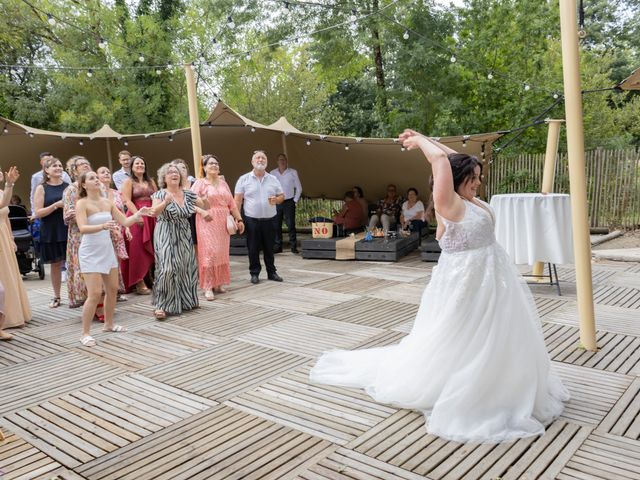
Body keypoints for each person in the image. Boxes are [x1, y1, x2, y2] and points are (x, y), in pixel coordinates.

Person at [310, 129, 569, 444]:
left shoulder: (472, 201)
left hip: (492, 278)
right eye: (472, 177)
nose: (477, 183)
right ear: (456, 179)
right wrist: (420, 143)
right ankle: (468, 385)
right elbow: (440, 160)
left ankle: (503, 382)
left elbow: (449, 159)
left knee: (496, 334)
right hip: (466, 280)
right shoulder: (449, 204)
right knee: (461, 335)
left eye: (478, 177)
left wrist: (422, 135)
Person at [75, 171, 151, 347]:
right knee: (94, 294)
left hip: (107, 249)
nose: (96, 180)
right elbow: (82, 228)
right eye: (92, 178)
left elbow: (125, 221)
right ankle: (85, 333)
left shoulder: (107, 202)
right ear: (84, 185)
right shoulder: (82, 203)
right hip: (90, 251)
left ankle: (108, 324)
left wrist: (139, 213)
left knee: (113, 288)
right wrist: (102, 226)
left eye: (97, 177)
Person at [150, 163, 208, 319]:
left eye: (176, 172)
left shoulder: (188, 194)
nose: (174, 174)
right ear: (164, 177)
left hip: (183, 232)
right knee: (167, 268)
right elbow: (154, 213)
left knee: (185, 266)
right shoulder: (160, 194)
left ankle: (186, 300)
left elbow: (205, 205)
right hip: (165, 232)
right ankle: (160, 305)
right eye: (169, 172)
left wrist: (204, 198)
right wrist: (166, 202)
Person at [191, 154, 244, 301]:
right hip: (207, 220)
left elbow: (232, 204)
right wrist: (202, 210)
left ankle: (219, 283)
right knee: (210, 253)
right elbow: (190, 202)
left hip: (223, 220)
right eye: (211, 164)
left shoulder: (223, 183)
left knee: (221, 252)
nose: (214, 165)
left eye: (216, 163)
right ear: (205, 167)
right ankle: (208, 285)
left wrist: (239, 219)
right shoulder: (200, 183)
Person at [234, 150, 284, 284]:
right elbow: (237, 201)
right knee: (253, 247)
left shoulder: (273, 179)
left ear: (266, 162)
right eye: (258, 158)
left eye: (263, 158)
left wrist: (277, 200)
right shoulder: (243, 179)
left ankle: (271, 272)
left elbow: (282, 196)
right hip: (251, 220)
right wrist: (237, 218)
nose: (260, 160)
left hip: (270, 219)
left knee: (269, 247)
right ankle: (254, 273)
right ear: (252, 161)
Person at [0, 166, 31, 339]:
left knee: (10, 275)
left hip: (3, 235)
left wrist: (11, 238)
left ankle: (14, 314)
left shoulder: (0, 191)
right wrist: (9, 185)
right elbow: (2, 204)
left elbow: (5, 216)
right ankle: (4, 319)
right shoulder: (4, 192)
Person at [33, 157, 69, 308]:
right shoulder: (42, 188)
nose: (59, 168)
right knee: (56, 264)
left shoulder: (69, 186)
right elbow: (38, 212)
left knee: (74, 263)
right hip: (51, 230)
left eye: (60, 165)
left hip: (67, 228)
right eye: (55, 166)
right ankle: (57, 296)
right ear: (46, 170)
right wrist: (56, 205)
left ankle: (77, 294)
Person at [121, 156, 157, 294]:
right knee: (137, 249)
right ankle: (138, 281)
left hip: (151, 215)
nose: (140, 165)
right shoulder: (128, 182)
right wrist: (138, 216)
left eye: (142, 163)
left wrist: (154, 211)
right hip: (136, 214)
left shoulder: (150, 181)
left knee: (153, 247)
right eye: (137, 163)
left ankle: (150, 278)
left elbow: (156, 196)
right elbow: (127, 201)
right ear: (131, 166)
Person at [97, 166, 130, 302]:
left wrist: (126, 228)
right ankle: (105, 291)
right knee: (106, 261)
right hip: (104, 229)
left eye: (108, 172)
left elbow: (121, 212)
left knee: (117, 260)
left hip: (118, 228)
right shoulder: (97, 195)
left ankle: (115, 290)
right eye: (103, 172)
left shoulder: (117, 193)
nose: (106, 174)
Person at [63, 156, 92, 308]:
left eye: (87, 163)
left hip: (97, 231)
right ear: (74, 170)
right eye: (82, 164)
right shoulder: (71, 190)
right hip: (79, 233)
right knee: (82, 265)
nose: (86, 165)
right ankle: (85, 297)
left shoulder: (95, 187)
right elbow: (68, 215)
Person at [270, 153, 302, 254]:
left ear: (286, 161)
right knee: (276, 225)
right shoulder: (272, 173)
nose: (282, 161)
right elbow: (269, 188)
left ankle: (293, 246)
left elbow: (299, 188)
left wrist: (295, 200)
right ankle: (278, 246)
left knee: (291, 225)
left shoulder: (293, 172)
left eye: (283, 160)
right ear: (277, 162)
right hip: (277, 201)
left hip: (289, 201)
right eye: (280, 160)